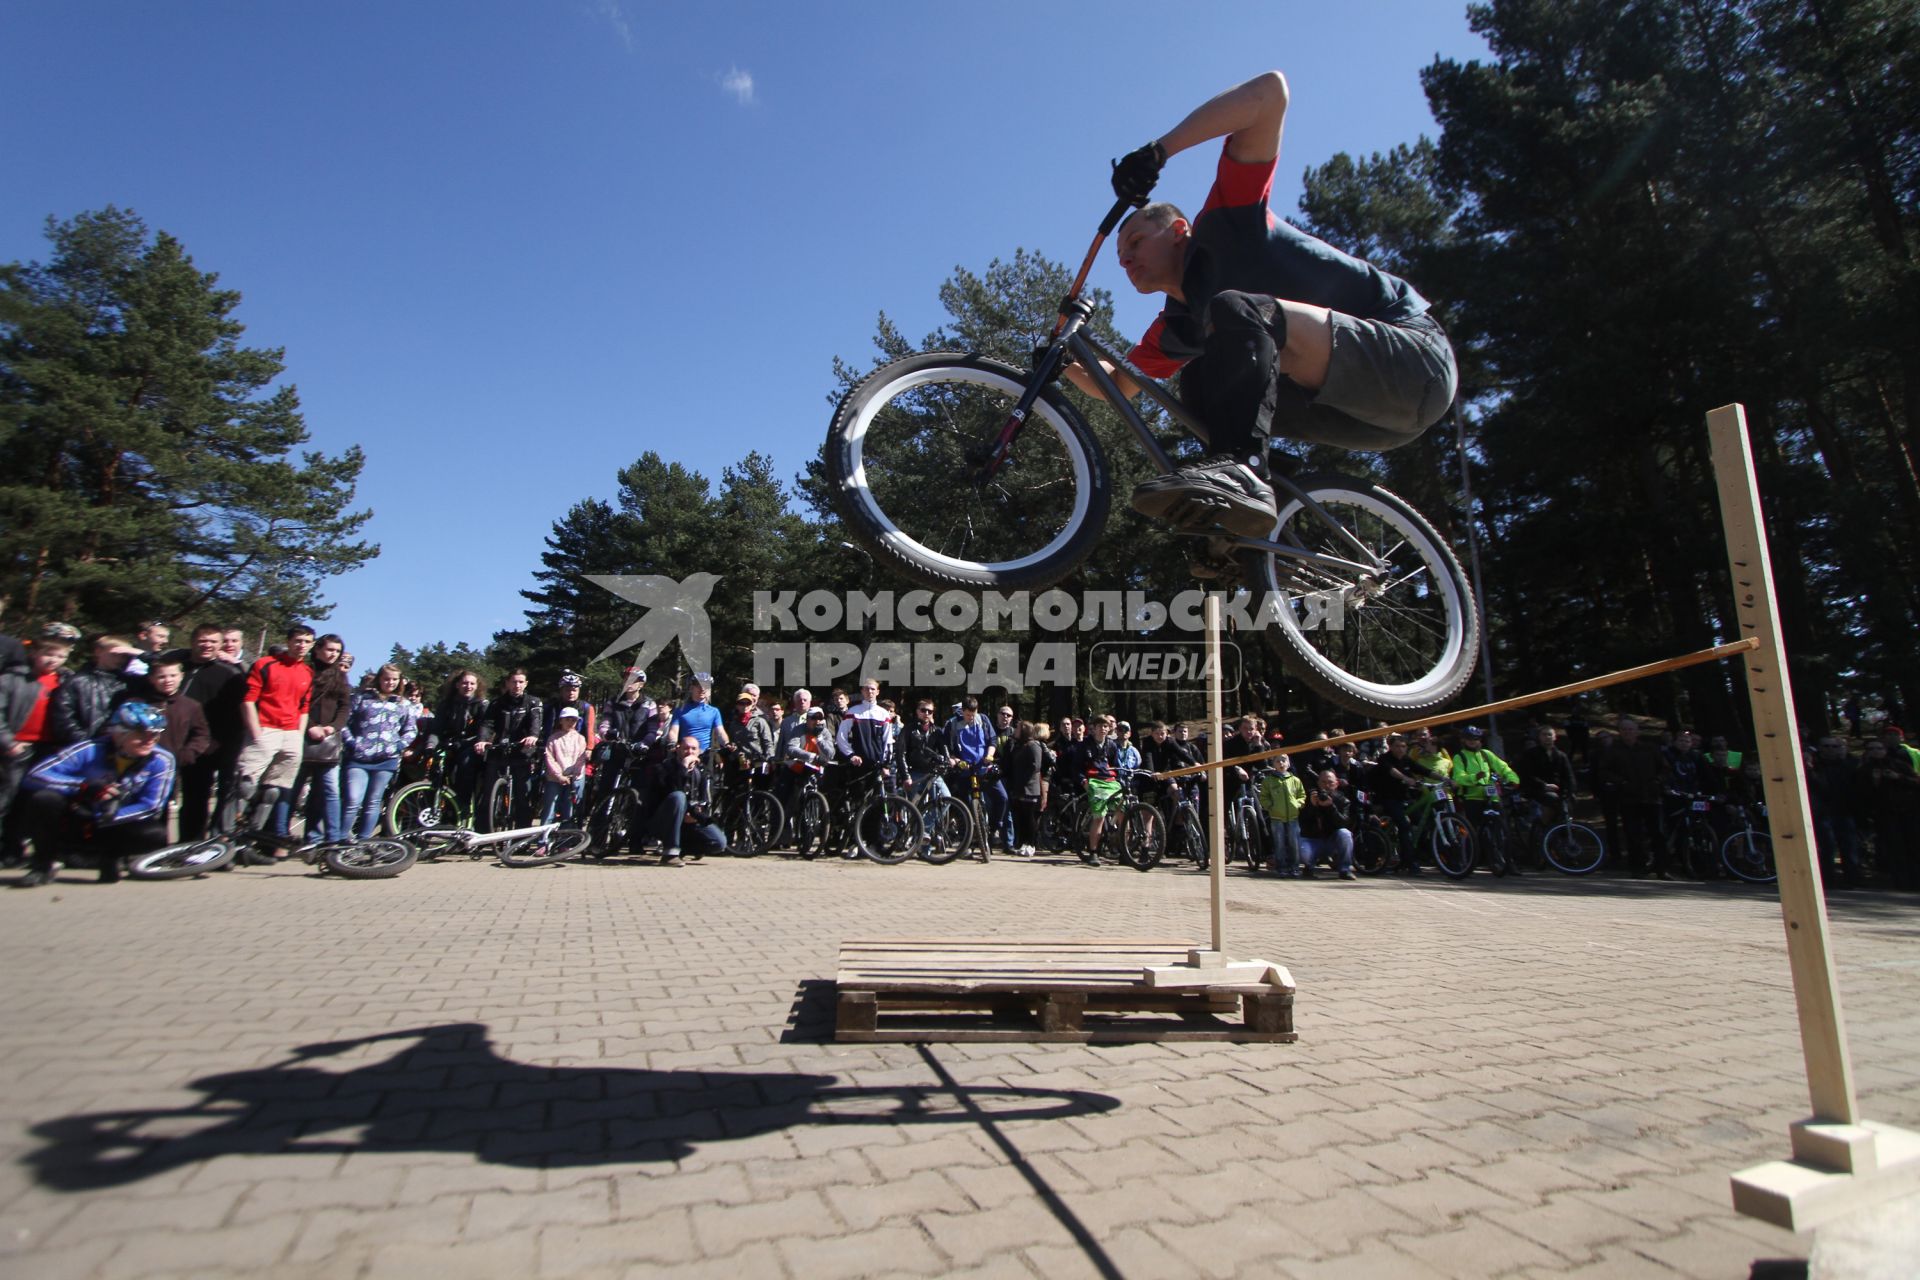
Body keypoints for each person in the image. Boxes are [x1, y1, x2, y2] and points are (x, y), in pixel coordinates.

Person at [1065, 72, 1455, 576]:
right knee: (1200, 383)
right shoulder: (1177, 327)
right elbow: (1115, 385)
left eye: (1136, 241)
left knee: (1238, 310)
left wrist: (1159, 152)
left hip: (1412, 360)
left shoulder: (1228, 223)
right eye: (1120, 257)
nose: (1126, 260)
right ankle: (1267, 520)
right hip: (1363, 416)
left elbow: (1270, 94)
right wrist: (1063, 360)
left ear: (1179, 230)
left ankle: (1244, 471)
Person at [15, 702, 176, 887]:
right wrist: (83, 786)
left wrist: (102, 817)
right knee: (44, 799)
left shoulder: (162, 760)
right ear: (119, 734)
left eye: (155, 735)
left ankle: (110, 857)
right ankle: (43, 865)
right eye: (142, 734)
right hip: (77, 816)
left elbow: (151, 806)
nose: (150, 740)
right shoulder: (89, 749)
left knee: (154, 834)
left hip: (114, 821)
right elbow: (35, 775)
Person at [231, 625, 315, 840]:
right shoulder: (265, 664)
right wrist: (256, 733)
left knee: (273, 791)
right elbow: (248, 701)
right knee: (245, 786)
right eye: (298, 640)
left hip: (291, 734)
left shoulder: (307, 672)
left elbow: (304, 707)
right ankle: (226, 836)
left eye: (307, 642)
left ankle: (252, 839)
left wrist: (298, 734)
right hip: (265, 728)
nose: (301, 645)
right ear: (288, 641)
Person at [340, 664, 419, 840]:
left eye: (394, 679)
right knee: (353, 799)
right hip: (358, 758)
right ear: (379, 679)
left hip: (386, 760)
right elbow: (344, 722)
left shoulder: (403, 704)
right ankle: (341, 837)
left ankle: (364, 839)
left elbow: (411, 730)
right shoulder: (361, 698)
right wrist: (352, 743)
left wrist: (398, 746)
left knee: (373, 802)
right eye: (386, 678)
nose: (390, 682)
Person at [476, 669, 543, 830]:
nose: (517, 685)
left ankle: (522, 835)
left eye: (521, 682)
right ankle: (483, 834)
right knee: (489, 793)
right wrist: (482, 740)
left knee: (522, 795)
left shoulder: (533, 702)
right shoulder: (497, 703)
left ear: (526, 684)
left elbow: (536, 722)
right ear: (507, 683)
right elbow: (487, 724)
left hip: (522, 752)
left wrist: (533, 736)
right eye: (514, 681)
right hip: (499, 750)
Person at [649, 735, 728, 866]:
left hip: (690, 821)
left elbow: (706, 800)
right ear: (678, 749)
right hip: (664, 820)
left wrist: (698, 815)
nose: (690, 752)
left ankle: (683, 848)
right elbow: (671, 792)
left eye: (693, 749)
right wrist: (683, 768)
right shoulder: (665, 768)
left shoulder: (703, 772)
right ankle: (670, 854)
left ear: (699, 752)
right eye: (686, 748)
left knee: (719, 843)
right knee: (678, 797)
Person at [1451, 725, 1520, 871]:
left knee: (1502, 829)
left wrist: (1513, 779)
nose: (1473, 742)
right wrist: (1474, 778)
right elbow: (1458, 777)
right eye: (1469, 739)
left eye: (1476, 739)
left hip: (1491, 796)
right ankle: (1470, 860)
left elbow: (1503, 767)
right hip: (1472, 796)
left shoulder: (1486, 754)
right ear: (1463, 740)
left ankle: (1508, 861)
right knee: (1473, 830)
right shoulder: (1460, 757)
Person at [48, 635, 138, 747]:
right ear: (98, 651)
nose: (119, 659)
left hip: (121, 746)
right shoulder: (77, 681)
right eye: (114, 654)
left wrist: (140, 654)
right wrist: (87, 744)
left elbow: (160, 666)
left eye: (124, 656)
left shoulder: (130, 683)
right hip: (84, 747)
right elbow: (62, 719)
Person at [1299, 768, 1356, 879]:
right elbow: (1301, 822)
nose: (1326, 785)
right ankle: (1309, 867)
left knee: (1345, 834)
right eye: (1323, 782)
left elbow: (1343, 823)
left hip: (1332, 841)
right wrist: (1312, 806)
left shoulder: (1343, 800)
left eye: (1330, 782)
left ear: (1336, 784)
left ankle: (1345, 869)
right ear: (1318, 783)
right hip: (1313, 839)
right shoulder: (1310, 798)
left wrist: (1331, 807)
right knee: (1304, 851)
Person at [1002, 720, 1047, 858]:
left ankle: (1031, 844)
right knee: (1020, 818)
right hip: (1018, 787)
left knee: (1029, 818)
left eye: (1018, 729)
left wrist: (1024, 780)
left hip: (1029, 787)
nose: (1015, 731)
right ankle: (1022, 843)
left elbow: (1036, 766)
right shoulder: (1018, 746)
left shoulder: (1034, 745)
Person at [1259, 751, 1306, 876]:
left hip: (1293, 816)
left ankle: (1295, 867)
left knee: (1294, 842)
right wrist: (1270, 806)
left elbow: (1302, 795)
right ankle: (1281, 867)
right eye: (1278, 761)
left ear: (1288, 763)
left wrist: (1298, 804)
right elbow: (1263, 797)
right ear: (1273, 764)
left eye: (1284, 760)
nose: (1281, 763)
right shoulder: (1268, 781)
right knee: (1279, 843)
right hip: (1276, 816)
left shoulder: (1295, 780)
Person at [539, 706, 588, 824]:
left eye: (573, 720)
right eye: (567, 719)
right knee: (550, 807)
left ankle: (567, 838)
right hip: (554, 778)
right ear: (561, 720)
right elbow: (550, 758)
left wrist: (574, 774)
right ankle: (543, 839)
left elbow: (581, 759)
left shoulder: (580, 739)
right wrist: (559, 775)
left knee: (570, 809)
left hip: (574, 778)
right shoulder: (553, 738)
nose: (570, 723)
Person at [668, 673, 729, 754]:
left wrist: (727, 743)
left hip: (705, 755)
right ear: (691, 688)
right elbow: (673, 731)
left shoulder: (714, 711)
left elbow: (720, 732)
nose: (702, 688)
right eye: (699, 685)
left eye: (706, 686)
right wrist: (672, 743)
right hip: (686, 752)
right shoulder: (680, 711)